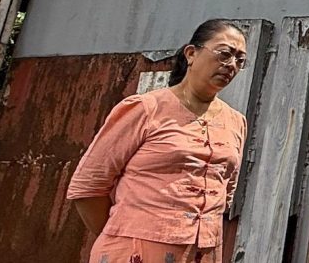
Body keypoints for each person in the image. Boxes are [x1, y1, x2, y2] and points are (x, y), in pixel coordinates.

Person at [68, 19, 250, 263]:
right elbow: (88, 187)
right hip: (135, 252)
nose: (231, 65)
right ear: (191, 54)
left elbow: (225, 194)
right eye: (224, 54)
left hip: (204, 253)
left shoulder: (235, 122)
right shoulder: (145, 109)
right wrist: (125, 236)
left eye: (240, 60)